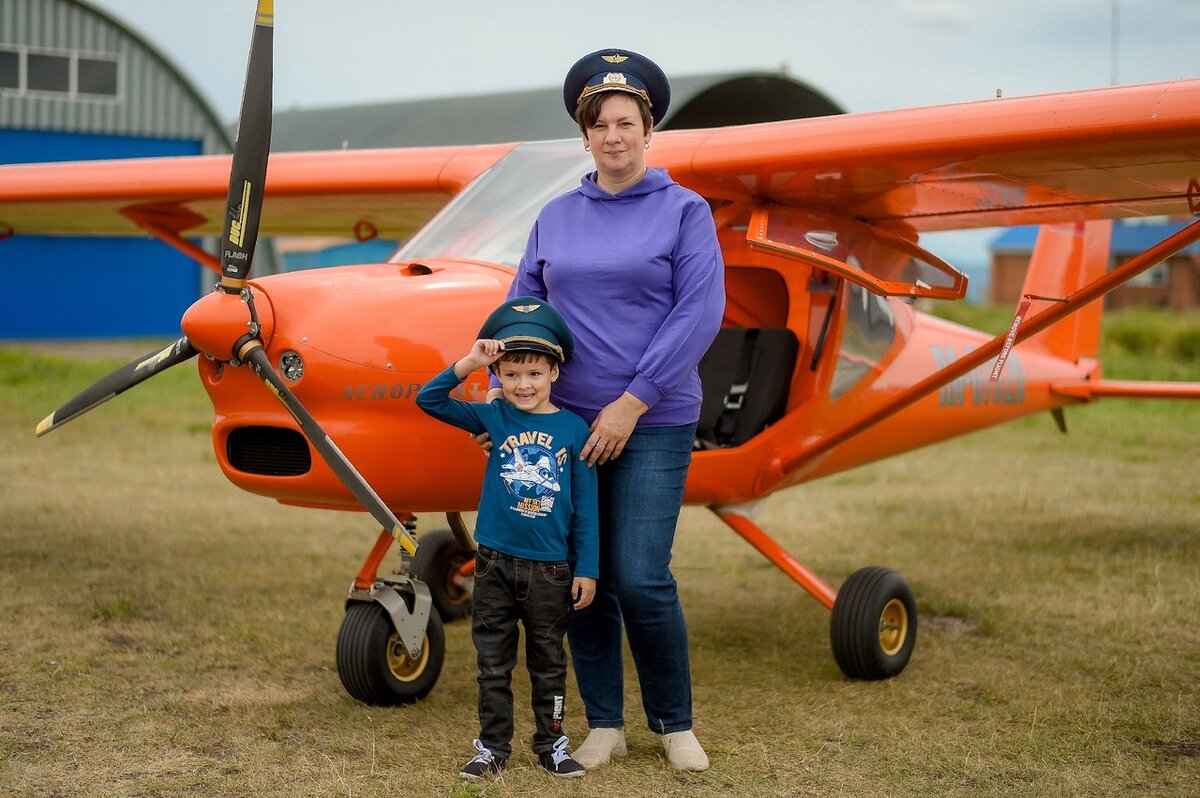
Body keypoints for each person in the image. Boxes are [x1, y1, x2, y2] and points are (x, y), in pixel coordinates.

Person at [488, 48, 725, 772]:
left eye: (627, 121)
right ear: (584, 136)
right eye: (600, 125)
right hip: (565, 426)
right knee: (576, 575)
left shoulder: (686, 211)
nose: (613, 136)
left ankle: (674, 723)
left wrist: (632, 400)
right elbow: (522, 313)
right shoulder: (555, 217)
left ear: (648, 129)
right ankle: (605, 726)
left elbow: (700, 312)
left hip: (653, 418)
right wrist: (502, 392)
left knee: (640, 574)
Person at [415, 297, 600, 780]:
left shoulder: (574, 429)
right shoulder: (494, 418)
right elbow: (428, 400)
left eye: (535, 374)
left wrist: (588, 568)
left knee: (549, 664)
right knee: (492, 664)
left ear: (555, 373)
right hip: (494, 564)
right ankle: (492, 748)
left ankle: (553, 745)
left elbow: (585, 508)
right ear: (500, 375)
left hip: (551, 570)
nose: (523, 385)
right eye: (512, 374)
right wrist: (471, 363)